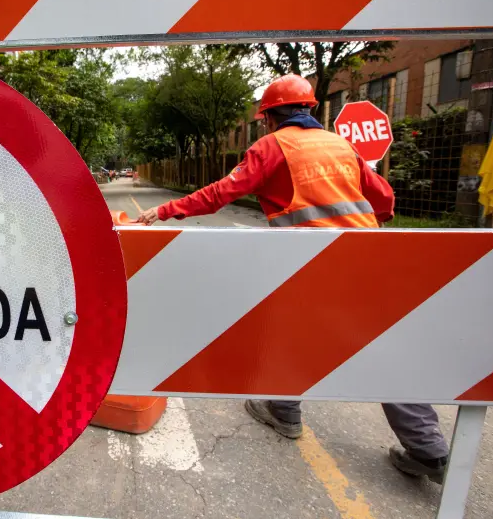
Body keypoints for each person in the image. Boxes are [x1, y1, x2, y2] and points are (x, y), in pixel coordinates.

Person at [137, 74, 450, 484]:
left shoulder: (271, 146)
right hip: (370, 257)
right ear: (310, 109)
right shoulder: (342, 145)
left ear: (268, 117)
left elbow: (220, 194)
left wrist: (162, 211)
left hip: (312, 260)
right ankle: (428, 448)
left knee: (290, 327)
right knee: (382, 344)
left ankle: (284, 409)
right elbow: (384, 198)